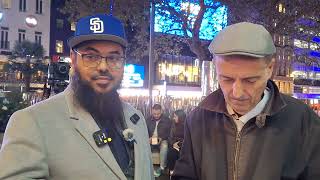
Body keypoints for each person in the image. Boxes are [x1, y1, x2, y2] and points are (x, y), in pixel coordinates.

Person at [0, 14, 154, 180]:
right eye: (91, 56)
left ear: (123, 62)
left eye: (113, 57)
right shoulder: (32, 122)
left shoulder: (136, 119)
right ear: (73, 59)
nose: (103, 66)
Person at [172, 22, 320, 180]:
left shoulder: (304, 121)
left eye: (250, 80)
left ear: (270, 68)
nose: (237, 93)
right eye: (226, 79)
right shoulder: (198, 119)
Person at [146, 103, 172, 177]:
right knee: (144, 145)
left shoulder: (167, 120)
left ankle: (161, 167)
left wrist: (162, 138)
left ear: (161, 111)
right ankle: (145, 165)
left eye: (158, 114)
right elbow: (144, 131)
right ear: (151, 111)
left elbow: (170, 133)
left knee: (164, 146)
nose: (156, 115)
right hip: (151, 139)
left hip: (162, 139)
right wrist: (148, 138)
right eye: (154, 114)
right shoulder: (148, 119)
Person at [167, 109, 186, 175]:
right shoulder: (173, 125)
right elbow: (170, 137)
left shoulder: (187, 126)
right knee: (171, 153)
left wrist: (180, 144)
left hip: (183, 146)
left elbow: (188, 139)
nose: (173, 118)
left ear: (180, 117)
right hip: (174, 145)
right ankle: (171, 171)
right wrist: (173, 144)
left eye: (175, 116)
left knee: (182, 154)